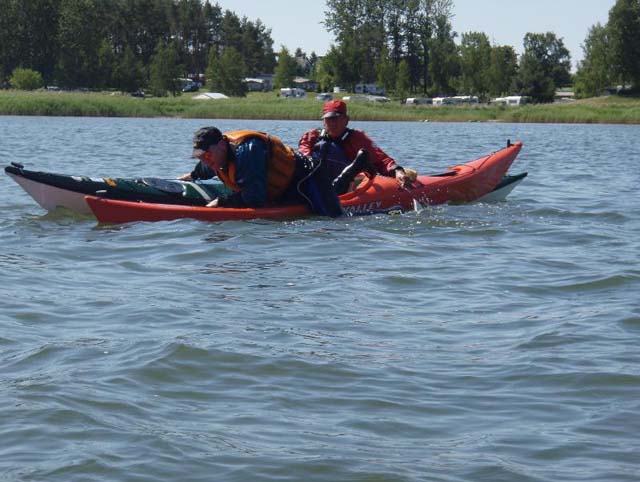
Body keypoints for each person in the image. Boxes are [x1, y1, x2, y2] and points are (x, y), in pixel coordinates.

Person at [179, 127, 343, 217]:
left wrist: (221, 203)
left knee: (331, 219)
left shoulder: (248, 151)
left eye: (207, 155)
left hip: (307, 178)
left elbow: (254, 198)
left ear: (222, 145)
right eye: (200, 157)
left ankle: (352, 171)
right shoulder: (214, 156)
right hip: (282, 189)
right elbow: (204, 169)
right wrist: (192, 176)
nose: (205, 160)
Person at [298, 99, 411, 194]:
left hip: (347, 188)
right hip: (316, 185)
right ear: (323, 121)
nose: (332, 123)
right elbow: (304, 158)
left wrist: (398, 171)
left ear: (346, 120)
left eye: (336, 119)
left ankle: (356, 169)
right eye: (329, 119)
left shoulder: (357, 138)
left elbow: (382, 160)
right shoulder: (312, 136)